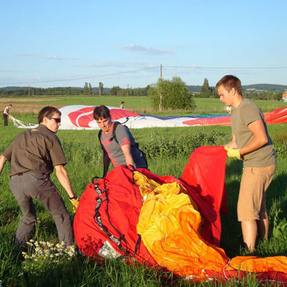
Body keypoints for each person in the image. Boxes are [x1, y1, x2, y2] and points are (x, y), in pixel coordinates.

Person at [0, 106, 79, 247]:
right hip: (36, 181)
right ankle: (68, 252)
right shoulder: (50, 137)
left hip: (15, 182)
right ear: (45, 119)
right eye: (57, 120)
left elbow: (2, 158)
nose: (59, 123)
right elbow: (60, 170)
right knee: (61, 214)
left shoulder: (22, 135)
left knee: (28, 217)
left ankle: (17, 248)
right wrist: (72, 197)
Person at [216, 75, 276, 252]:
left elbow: (262, 138)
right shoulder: (235, 111)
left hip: (258, 164)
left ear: (233, 90)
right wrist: (219, 151)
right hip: (258, 162)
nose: (220, 99)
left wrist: (240, 152)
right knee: (259, 206)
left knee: (246, 210)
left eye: (221, 94)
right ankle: (264, 243)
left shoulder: (247, 108)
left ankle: (248, 251)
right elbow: (236, 141)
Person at [93, 105, 147, 176]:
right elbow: (106, 155)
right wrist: (104, 175)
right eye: (99, 122)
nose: (103, 125)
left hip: (135, 168)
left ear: (110, 117)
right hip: (120, 170)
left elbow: (127, 154)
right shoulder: (101, 135)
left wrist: (132, 175)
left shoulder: (119, 130)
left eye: (105, 121)